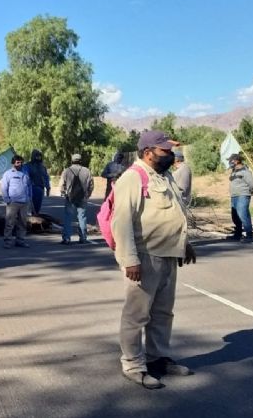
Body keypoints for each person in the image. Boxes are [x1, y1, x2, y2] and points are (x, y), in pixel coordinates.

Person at [112, 130, 196, 389]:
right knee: (137, 316)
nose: (171, 155)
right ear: (148, 153)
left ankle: (158, 359)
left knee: (163, 313)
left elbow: (173, 213)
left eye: (171, 151)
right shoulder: (132, 178)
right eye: (165, 151)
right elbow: (122, 222)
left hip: (169, 254)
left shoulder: (165, 175)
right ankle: (134, 365)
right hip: (145, 257)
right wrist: (130, 260)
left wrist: (185, 245)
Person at [59, 154, 94, 244]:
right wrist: (87, 195)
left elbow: (61, 185)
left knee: (68, 217)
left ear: (72, 160)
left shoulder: (67, 171)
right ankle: (83, 237)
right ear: (80, 161)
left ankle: (67, 238)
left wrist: (63, 193)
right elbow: (91, 185)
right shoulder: (86, 171)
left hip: (70, 197)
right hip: (82, 198)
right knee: (82, 217)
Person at [0, 155, 31, 249]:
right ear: (13, 163)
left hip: (24, 202)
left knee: (22, 223)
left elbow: (29, 187)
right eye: (18, 162)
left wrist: (29, 198)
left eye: (21, 162)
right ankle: (8, 242)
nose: (20, 164)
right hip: (13, 203)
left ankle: (20, 240)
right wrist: (7, 200)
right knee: (10, 223)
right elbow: (4, 187)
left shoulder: (25, 173)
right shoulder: (8, 174)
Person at [226, 153, 253, 242]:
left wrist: (251, 191)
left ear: (237, 161)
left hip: (243, 195)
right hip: (234, 196)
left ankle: (249, 235)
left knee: (243, 214)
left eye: (231, 160)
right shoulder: (234, 171)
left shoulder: (245, 172)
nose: (229, 162)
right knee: (235, 216)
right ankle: (238, 234)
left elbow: (252, 184)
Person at [23, 149, 51, 214]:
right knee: (29, 208)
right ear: (33, 156)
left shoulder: (43, 167)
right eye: (37, 156)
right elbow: (24, 176)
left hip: (40, 189)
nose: (38, 157)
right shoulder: (27, 166)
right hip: (30, 189)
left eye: (39, 156)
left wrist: (48, 187)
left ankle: (35, 220)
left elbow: (46, 177)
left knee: (37, 208)